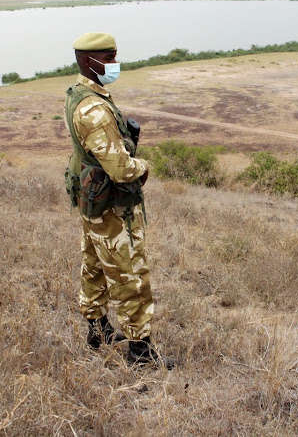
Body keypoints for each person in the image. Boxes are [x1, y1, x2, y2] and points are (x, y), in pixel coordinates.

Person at [63, 32, 174, 369]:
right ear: (87, 61)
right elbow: (122, 169)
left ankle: (98, 331)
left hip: (92, 202)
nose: (114, 64)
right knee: (130, 274)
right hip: (112, 206)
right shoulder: (95, 109)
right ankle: (142, 352)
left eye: (114, 56)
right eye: (108, 58)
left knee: (95, 265)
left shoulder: (80, 94)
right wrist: (143, 165)